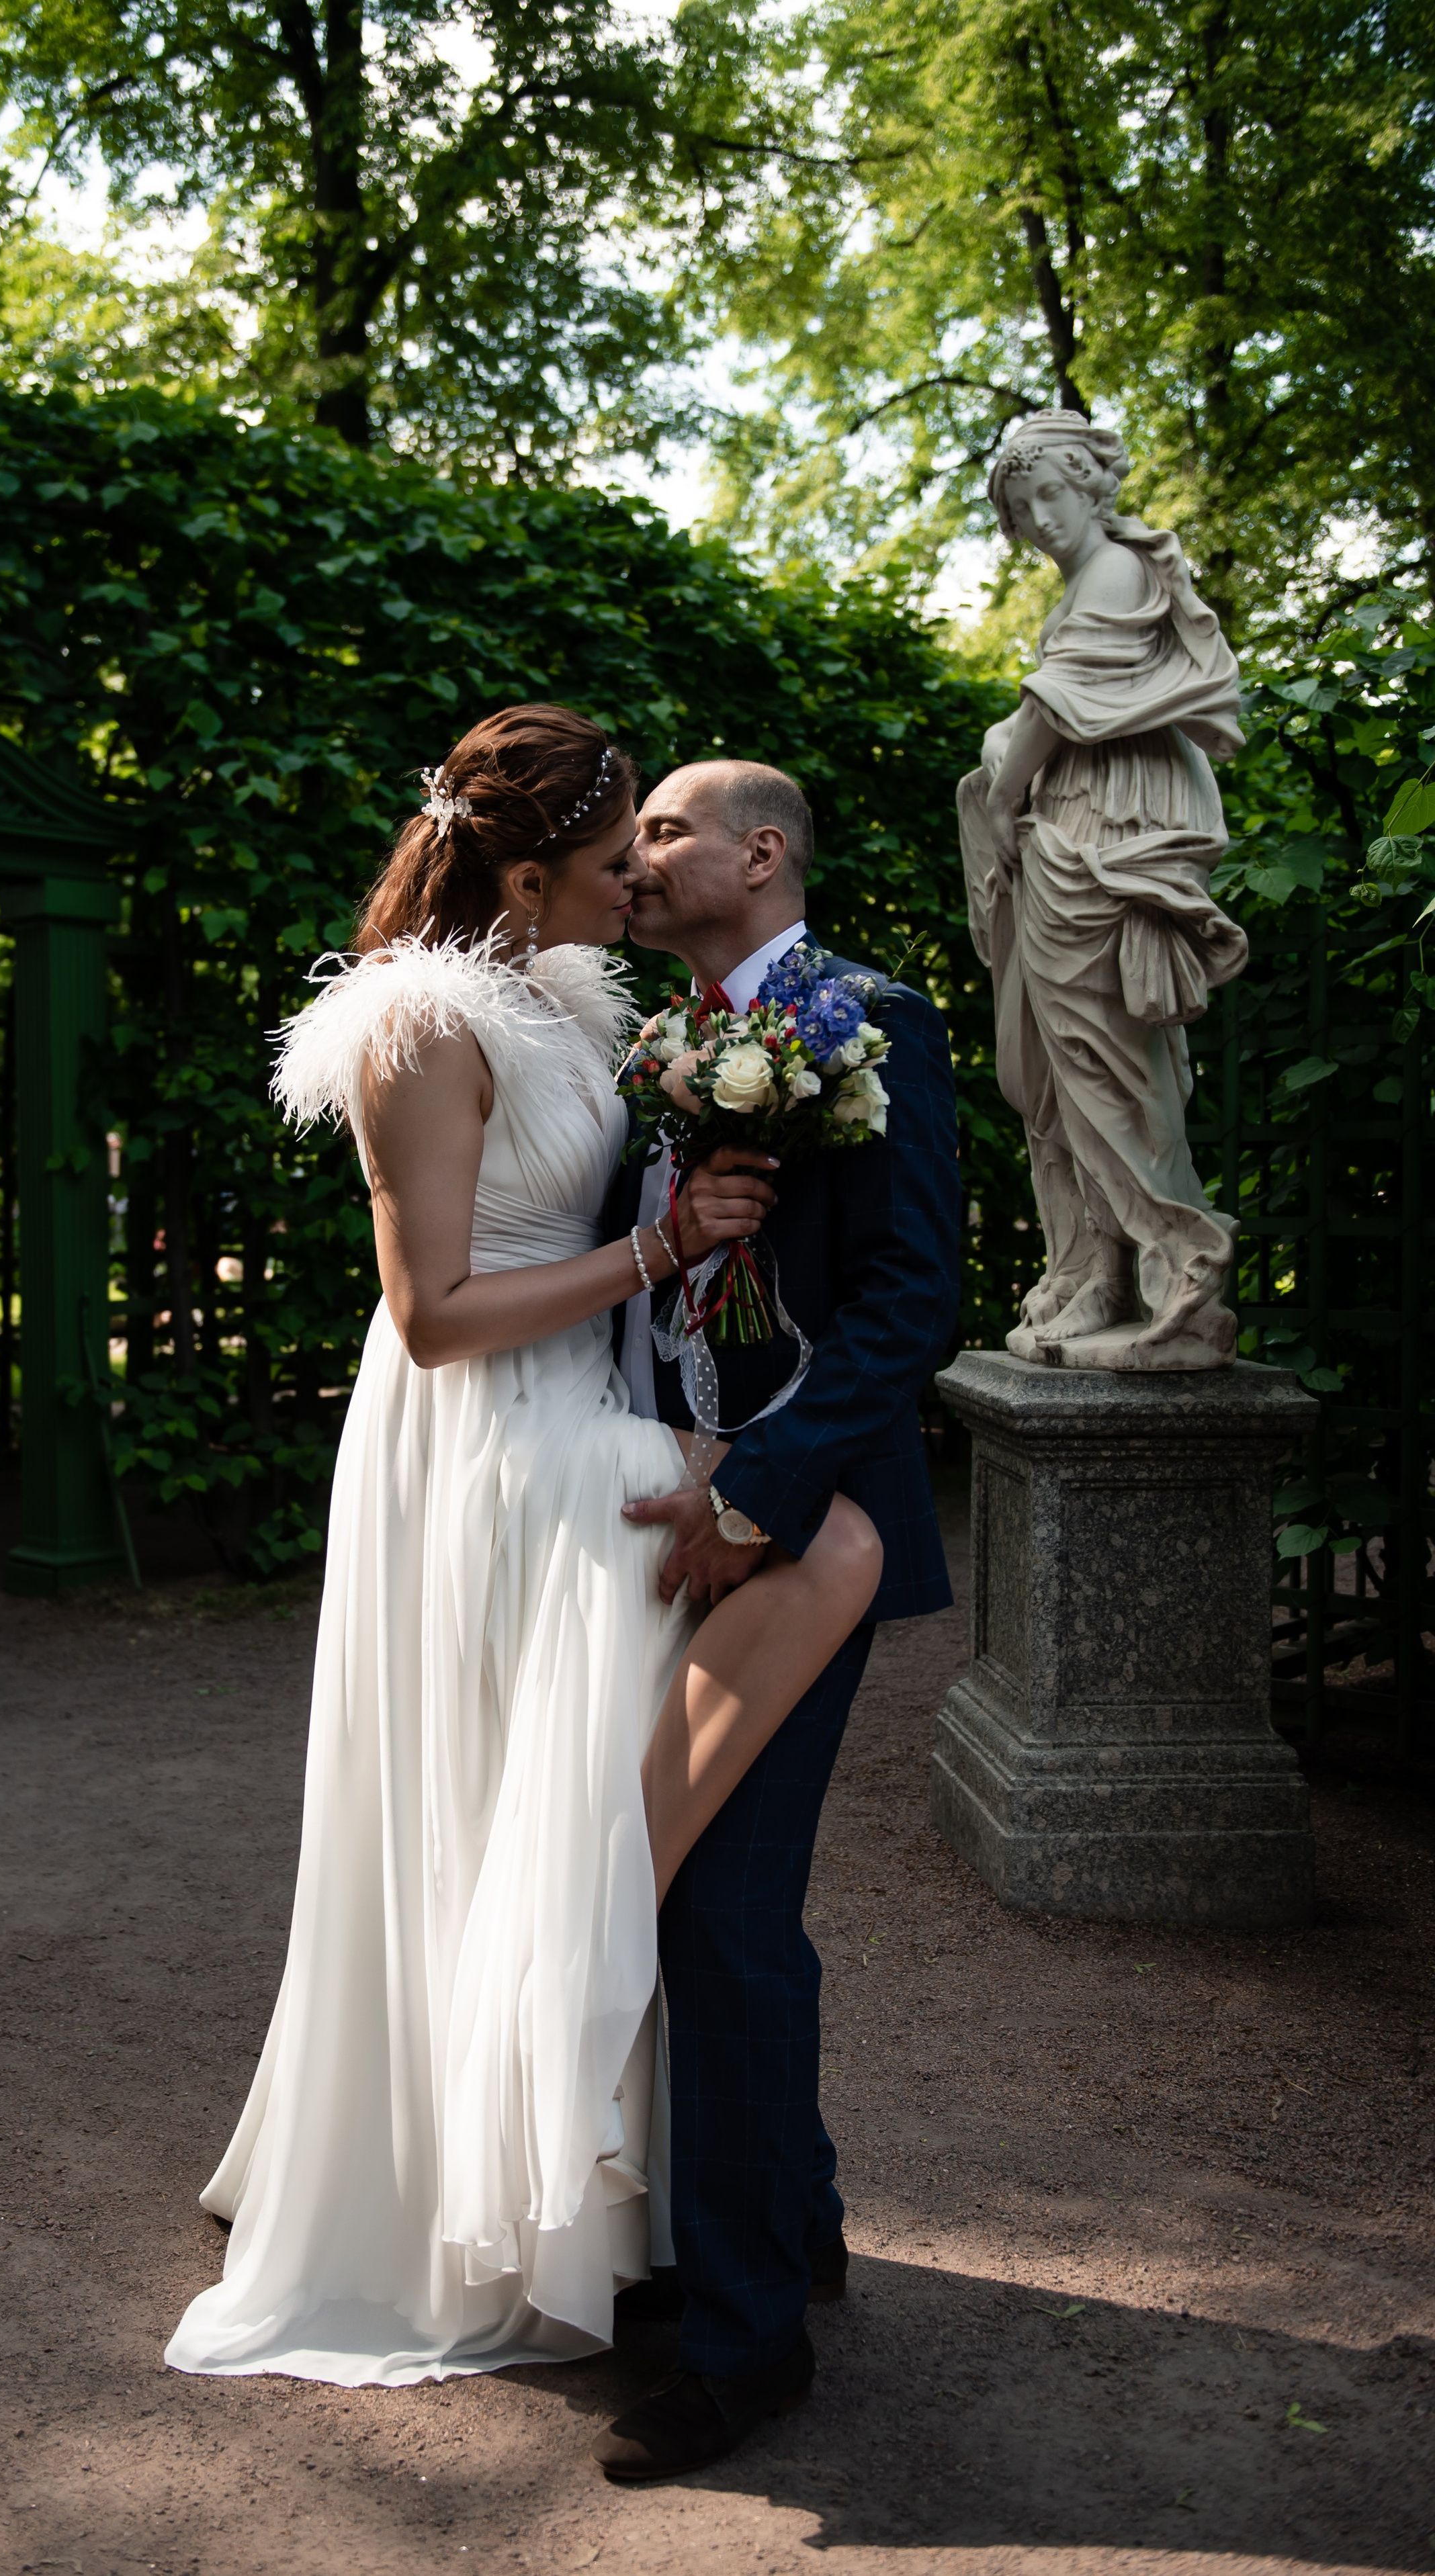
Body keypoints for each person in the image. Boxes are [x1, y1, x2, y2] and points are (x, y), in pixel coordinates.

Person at [164, 705, 882, 2390]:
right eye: (619, 839)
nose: (638, 870)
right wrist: (653, 1250)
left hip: (569, 1397)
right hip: (483, 1438)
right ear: (529, 856)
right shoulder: (414, 1019)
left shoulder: (569, 1004)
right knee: (818, 1538)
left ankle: (612, 2167)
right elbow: (430, 1317)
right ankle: (525, 2095)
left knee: (553, 1780)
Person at [591, 758, 961, 2483]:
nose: (634, 858)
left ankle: (744, 2349)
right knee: (721, 1906)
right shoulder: (663, 1033)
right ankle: (789, 2223)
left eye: (660, 830)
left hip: (811, 1534)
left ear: (760, 851)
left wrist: (762, 1493)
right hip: (654, 1503)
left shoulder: (868, 1015)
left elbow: (912, 1294)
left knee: (721, 1916)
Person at [956, 408, 1248, 1363]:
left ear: (1093, 485)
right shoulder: (1085, 582)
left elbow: (1058, 703)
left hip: (1098, 839)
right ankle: (1095, 1274)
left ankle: (1184, 1283)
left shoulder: (1120, 569)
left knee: (1107, 1069)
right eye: (1020, 504)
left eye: (1053, 492)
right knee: (1053, 1076)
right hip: (1068, 832)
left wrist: (1002, 788)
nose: (1040, 517)